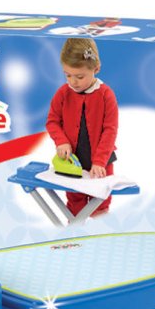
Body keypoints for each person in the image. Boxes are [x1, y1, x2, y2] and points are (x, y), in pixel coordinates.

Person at [45, 38, 119, 217]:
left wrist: (99, 161)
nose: (73, 82)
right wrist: (61, 141)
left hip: (101, 161)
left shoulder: (106, 95)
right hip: (73, 161)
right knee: (75, 203)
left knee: (100, 203)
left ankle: (99, 231)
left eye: (79, 77)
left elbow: (110, 130)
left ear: (96, 69)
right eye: (67, 75)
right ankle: (75, 230)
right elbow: (52, 121)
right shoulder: (63, 93)